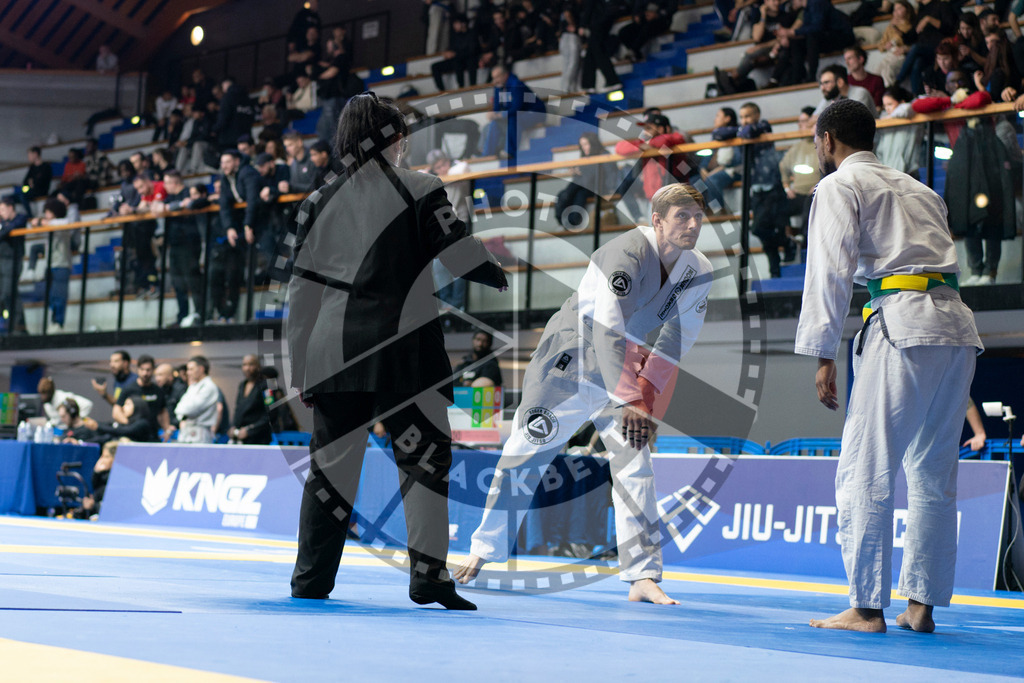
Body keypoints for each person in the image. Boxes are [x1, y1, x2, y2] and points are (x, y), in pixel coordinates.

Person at [286, 92, 507, 609]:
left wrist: (302, 370)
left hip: (333, 355)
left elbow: (302, 293)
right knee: (425, 467)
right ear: (397, 140)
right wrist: (492, 273)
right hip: (407, 356)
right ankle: (428, 579)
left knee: (330, 474)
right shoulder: (422, 187)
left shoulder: (317, 201)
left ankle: (310, 581)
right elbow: (455, 252)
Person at [454, 183, 714, 605]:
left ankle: (642, 575)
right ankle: (484, 549)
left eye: (698, 217)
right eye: (681, 216)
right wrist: (630, 397)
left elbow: (677, 339)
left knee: (635, 462)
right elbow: (607, 328)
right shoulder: (624, 254)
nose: (692, 224)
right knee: (525, 451)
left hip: (625, 364)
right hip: (571, 359)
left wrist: (643, 394)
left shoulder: (698, 270)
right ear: (657, 220)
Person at [795, 99, 982, 633]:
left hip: (902, 327)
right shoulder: (922, 189)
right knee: (932, 475)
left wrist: (823, 352)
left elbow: (828, 270)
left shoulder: (839, 186)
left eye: (816, 140)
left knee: (865, 468)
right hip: (957, 328)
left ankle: (866, 606)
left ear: (827, 140)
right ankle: (920, 607)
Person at [479, 65, 547, 162]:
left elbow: (516, 107)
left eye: (497, 77)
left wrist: (499, 115)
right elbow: (497, 107)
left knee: (514, 119)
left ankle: (509, 152)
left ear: (505, 75)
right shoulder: (498, 87)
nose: (495, 81)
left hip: (535, 112)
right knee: (495, 123)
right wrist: (494, 114)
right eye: (493, 78)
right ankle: (487, 154)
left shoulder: (516, 84)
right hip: (518, 114)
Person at [554, 132, 613, 230]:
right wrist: (576, 171)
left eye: (586, 144)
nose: (584, 148)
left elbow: (609, 174)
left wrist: (581, 171)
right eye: (582, 145)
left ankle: (571, 223)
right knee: (564, 194)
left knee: (574, 195)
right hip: (582, 185)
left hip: (596, 187)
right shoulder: (584, 158)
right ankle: (565, 223)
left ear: (593, 143)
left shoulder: (604, 154)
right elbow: (583, 175)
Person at [173, 355, 221, 444]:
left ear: (201, 369)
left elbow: (191, 409)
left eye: (191, 369)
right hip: (186, 431)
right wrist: (182, 415)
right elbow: (179, 408)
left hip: (201, 433)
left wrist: (184, 413)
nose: (188, 373)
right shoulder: (193, 386)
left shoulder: (209, 387)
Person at [229, 354, 272, 445]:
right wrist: (233, 427)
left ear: (258, 367)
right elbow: (238, 409)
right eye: (244, 365)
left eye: (251, 364)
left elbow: (270, 414)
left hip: (259, 439)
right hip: (240, 438)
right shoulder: (242, 385)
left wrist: (250, 430)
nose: (247, 368)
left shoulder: (266, 386)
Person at [0, 198, 27, 333]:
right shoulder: (2, 221)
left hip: (13, 260)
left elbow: (7, 230)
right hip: (1, 259)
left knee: (8, 293)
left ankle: (17, 325)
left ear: (11, 208)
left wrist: (4, 228)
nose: (1, 213)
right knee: (8, 294)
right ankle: (16, 325)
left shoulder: (20, 218)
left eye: (3, 209)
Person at [813, 65, 878, 119]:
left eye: (826, 83)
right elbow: (813, 119)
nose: (822, 88)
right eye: (821, 84)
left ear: (840, 82)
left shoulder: (860, 93)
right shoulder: (830, 97)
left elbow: (852, 120)